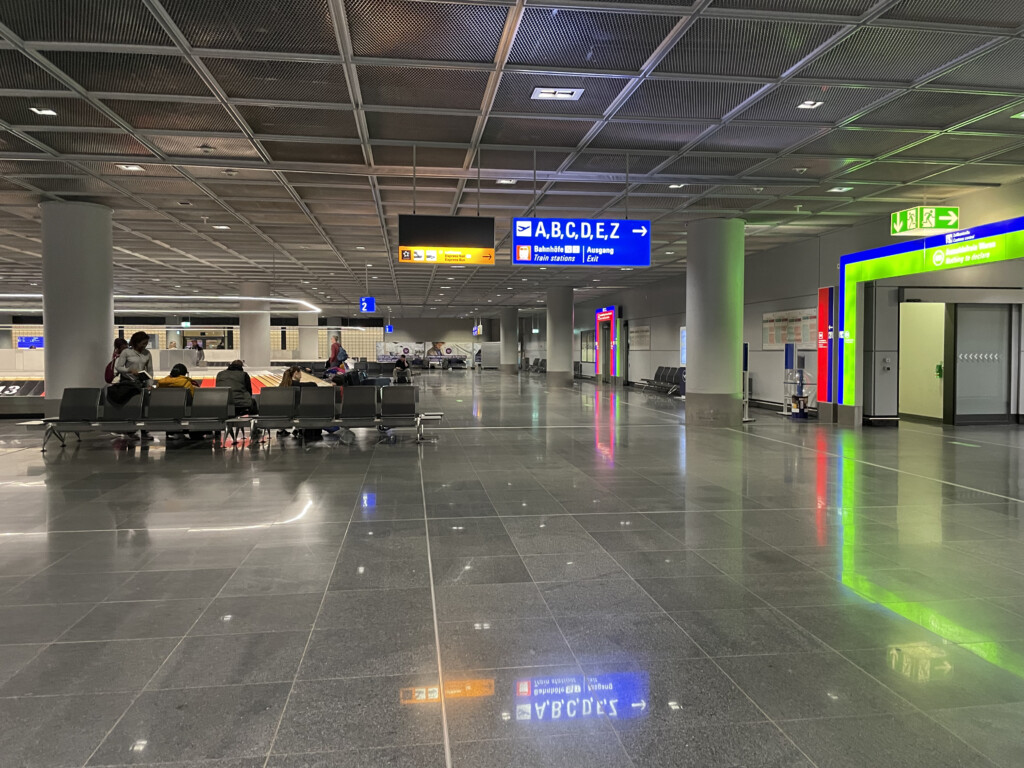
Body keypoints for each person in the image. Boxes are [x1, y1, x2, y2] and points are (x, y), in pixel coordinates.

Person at [114, 331, 155, 441]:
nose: (145, 345)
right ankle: (130, 431)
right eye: (143, 343)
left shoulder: (147, 353)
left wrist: (150, 384)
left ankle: (145, 431)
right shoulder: (126, 352)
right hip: (128, 383)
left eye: (146, 343)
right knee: (131, 407)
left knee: (144, 407)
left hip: (141, 383)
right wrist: (129, 370)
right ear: (136, 342)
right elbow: (118, 367)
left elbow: (150, 370)